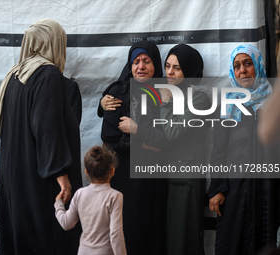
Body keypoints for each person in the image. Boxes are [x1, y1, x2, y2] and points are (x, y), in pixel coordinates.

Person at [0, 19, 82, 255]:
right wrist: (61, 175)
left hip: (15, 181)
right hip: (40, 183)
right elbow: (46, 127)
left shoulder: (15, 75)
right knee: (47, 241)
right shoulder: (46, 74)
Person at [208, 44, 278, 255]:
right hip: (236, 190)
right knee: (233, 242)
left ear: (258, 66)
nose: (242, 70)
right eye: (237, 66)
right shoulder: (228, 105)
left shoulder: (274, 104)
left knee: (268, 240)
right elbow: (218, 150)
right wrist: (218, 188)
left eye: (248, 64)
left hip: (270, 189)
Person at [99, 40, 167, 255]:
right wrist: (146, 142)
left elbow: (167, 137)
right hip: (123, 175)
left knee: (153, 227)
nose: (141, 66)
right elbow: (110, 136)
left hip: (154, 177)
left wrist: (137, 132)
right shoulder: (117, 92)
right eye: (136, 61)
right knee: (125, 227)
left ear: (155, 63)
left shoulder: (165, 94)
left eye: (147, 61)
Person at [158, 44, 211, 255]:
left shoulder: (199, 99)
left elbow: (171, 131)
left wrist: (165, 102)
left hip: (186, 178)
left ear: (189, 70)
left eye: (177, 68)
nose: (169, 72)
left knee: (182, 240)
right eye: (167, 66)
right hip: (165, 176)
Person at [55, 145, 127, 255]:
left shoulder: (80, 194)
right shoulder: (115, 196)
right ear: (112, 170)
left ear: (86, 172)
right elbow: (115, 234)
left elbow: (66, 223)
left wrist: (58, 204)